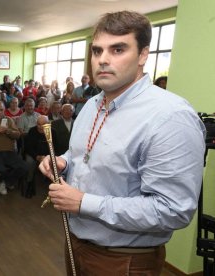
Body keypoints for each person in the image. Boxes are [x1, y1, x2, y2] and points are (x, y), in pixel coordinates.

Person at [39, 11, 205, 275]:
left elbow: (173, 210)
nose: (103, 60)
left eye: (118, 49)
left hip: (124, 261)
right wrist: (63, 161)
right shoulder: (93, 105)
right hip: (76, 244)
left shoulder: (170, 116)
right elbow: (82, 154)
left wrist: (83, 202)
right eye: (97, 51)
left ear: (143, 55)